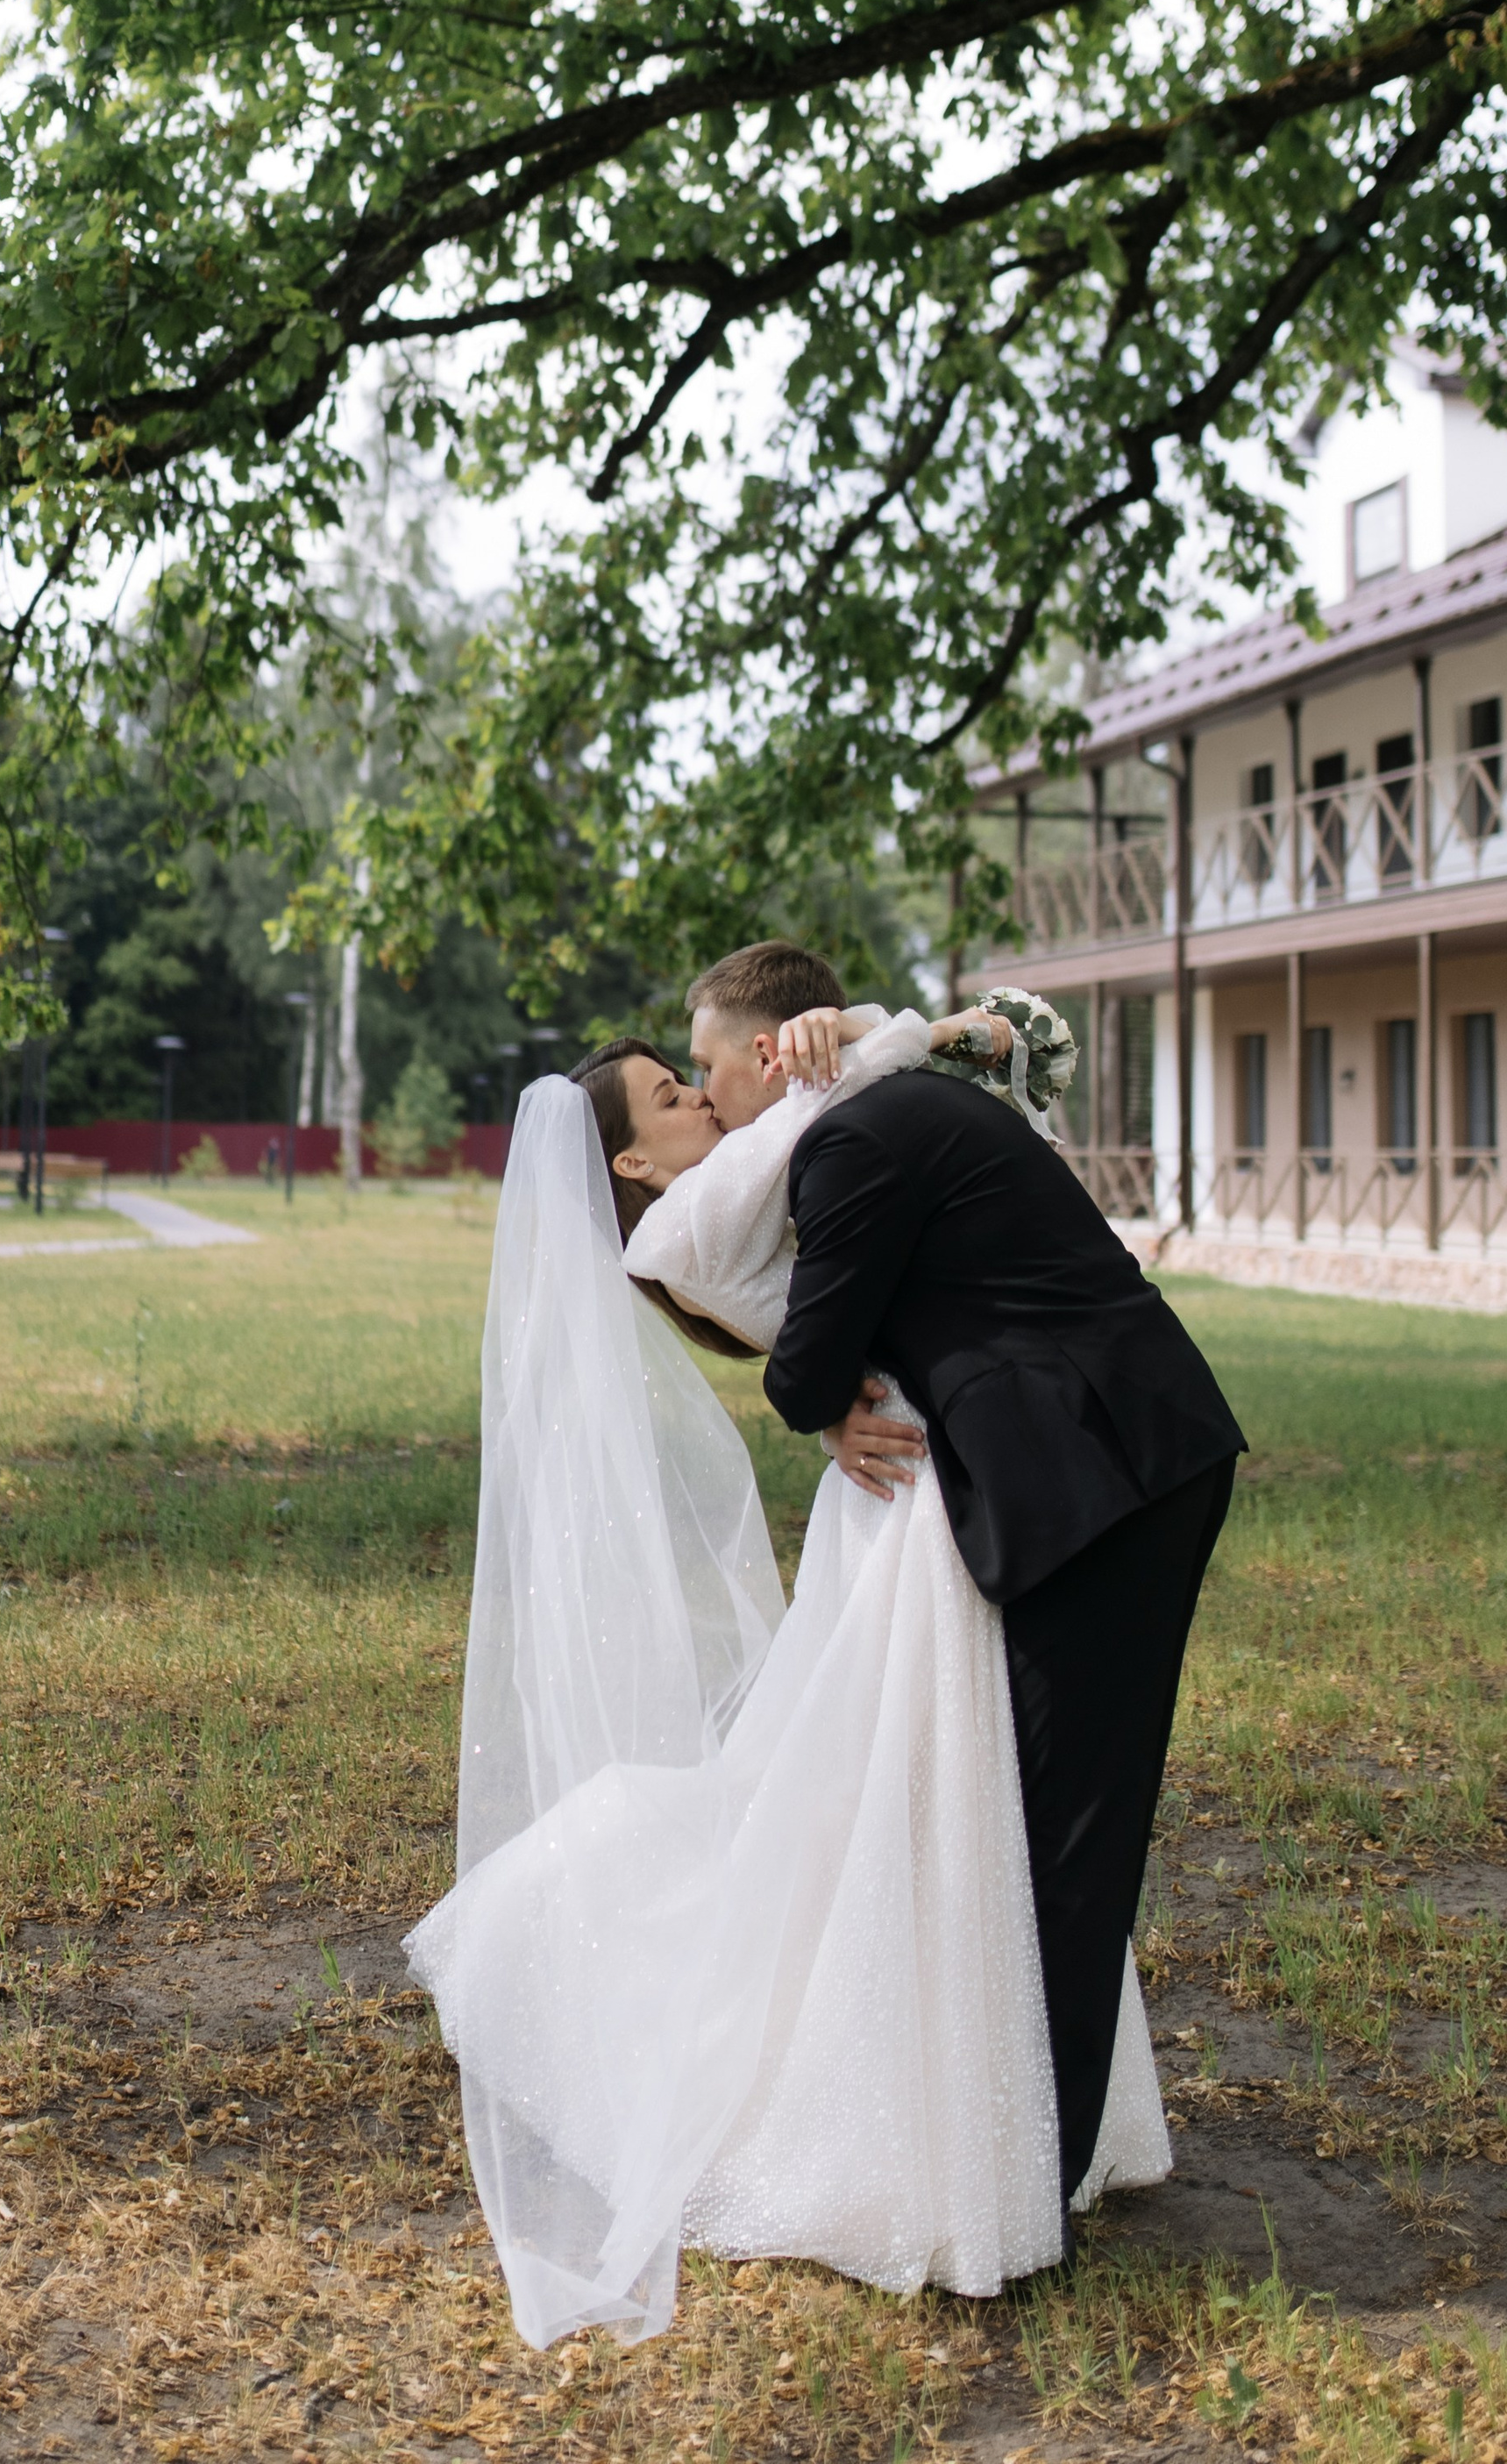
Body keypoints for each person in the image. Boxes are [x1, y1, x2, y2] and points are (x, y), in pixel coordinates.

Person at [406, 947, 1206, 2346]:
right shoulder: (726, 1204)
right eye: (674, 1092)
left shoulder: (817, 1129)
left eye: (698, 1065)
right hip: (930, 1497)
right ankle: (999, 2143)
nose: (709, 1094)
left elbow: (935, 1125)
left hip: (978, 1490)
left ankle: (1012, 2136)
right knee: (944, 1819)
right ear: (637, 1163)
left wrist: (878, 1036)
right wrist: (820, 1395)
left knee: (973, 1822)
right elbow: (800, 1350)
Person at [729, 942, 1247, 2221]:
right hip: (1118, 1459)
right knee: (1048, 1819)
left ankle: (1035, 2178)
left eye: (704, 1066)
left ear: (766, 1054)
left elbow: (803, 1375)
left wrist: (824, 1388)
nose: (706, 1096)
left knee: (1071, 1833)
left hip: (1106, 1482)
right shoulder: (904, 1108)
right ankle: (1025, 2145)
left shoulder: (848, 1143)